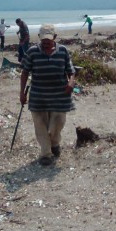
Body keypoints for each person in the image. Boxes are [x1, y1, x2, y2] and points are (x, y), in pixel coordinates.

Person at [20, 24, 76, 166]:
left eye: (48, 41)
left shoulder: (63, 51)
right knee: (40, 125)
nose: (45, 44)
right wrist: (22, 93)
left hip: (60, 95)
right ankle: (46, 153)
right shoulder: (32, 52)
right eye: (43, 41)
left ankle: (55, 143)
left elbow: (71, 71)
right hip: (38, 96)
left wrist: (71, 83)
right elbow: (25, 72)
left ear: (55, 38)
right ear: (39, 38)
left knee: (58, 123)